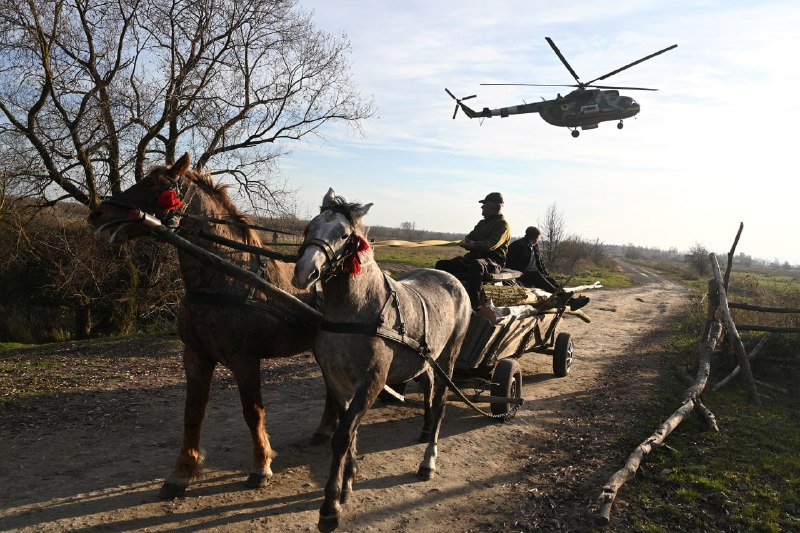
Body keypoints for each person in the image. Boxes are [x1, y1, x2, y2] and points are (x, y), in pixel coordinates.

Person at [435, 192, 511, 310]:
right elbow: (470, 236)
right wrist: (468, 242)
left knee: (477, 265)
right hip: (474, 258)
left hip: (493, 262)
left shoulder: (503, 225)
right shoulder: (482, 223)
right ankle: (439, 296)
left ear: (491, 206)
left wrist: (473, 245)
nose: (482, 207)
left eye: (484, 204)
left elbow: (491, 245)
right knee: (441, 265)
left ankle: (473, 304)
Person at [506, 226, 589, 311]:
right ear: (535, 236)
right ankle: (567, 299)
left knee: (549, 280)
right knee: (536, 275)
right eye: (539, 236)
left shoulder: (535, 246)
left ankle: (570, 300)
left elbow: (540, 263)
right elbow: (507, 261)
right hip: (521, 274)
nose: (539, 238)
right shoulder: (518, 245)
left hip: (533, 273)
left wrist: (546, 275)